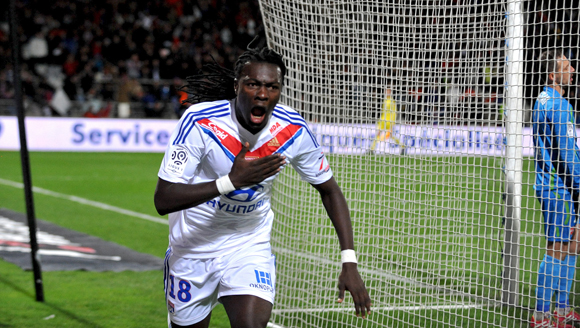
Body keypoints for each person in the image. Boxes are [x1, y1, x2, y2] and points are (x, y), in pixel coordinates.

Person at [154, 43, 372, 328]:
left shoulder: (292, 129)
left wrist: (349, 262)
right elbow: (164, 200)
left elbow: (329, 190)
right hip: (194, 247)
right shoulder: (200, 121)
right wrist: (230, 182)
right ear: (236, 86)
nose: (262, 94)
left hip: (248, 245)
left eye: (272, 87)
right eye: (252, 84)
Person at [531, 49, 580, 328]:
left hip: (555, 184)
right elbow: (566, 153)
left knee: (573, 244)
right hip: (560, 186)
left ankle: (562, 310)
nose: (572, 70)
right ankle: (541, 315)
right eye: (567, 66)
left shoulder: (542, 99)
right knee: (558, 248)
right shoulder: (560, 106)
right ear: (553, 74)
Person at [369, 86, 406, 155]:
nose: (387, 93)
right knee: (378, 134)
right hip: (382, 121)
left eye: (388, 91)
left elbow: (395, 112)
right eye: (386, 91)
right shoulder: (384, 100)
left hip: (389, 122)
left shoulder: (392, 101)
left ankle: (402, 146)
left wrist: (393, 122)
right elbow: (383, 111)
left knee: (391, 136)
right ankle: (371, 149)